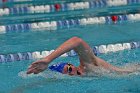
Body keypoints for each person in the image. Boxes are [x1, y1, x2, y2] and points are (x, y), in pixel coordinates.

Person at [27, 37, 133, 76]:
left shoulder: (87, 66)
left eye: (69, 67)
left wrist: (47, 59)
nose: (72, 69)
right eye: (69, 71)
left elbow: (76, 41)